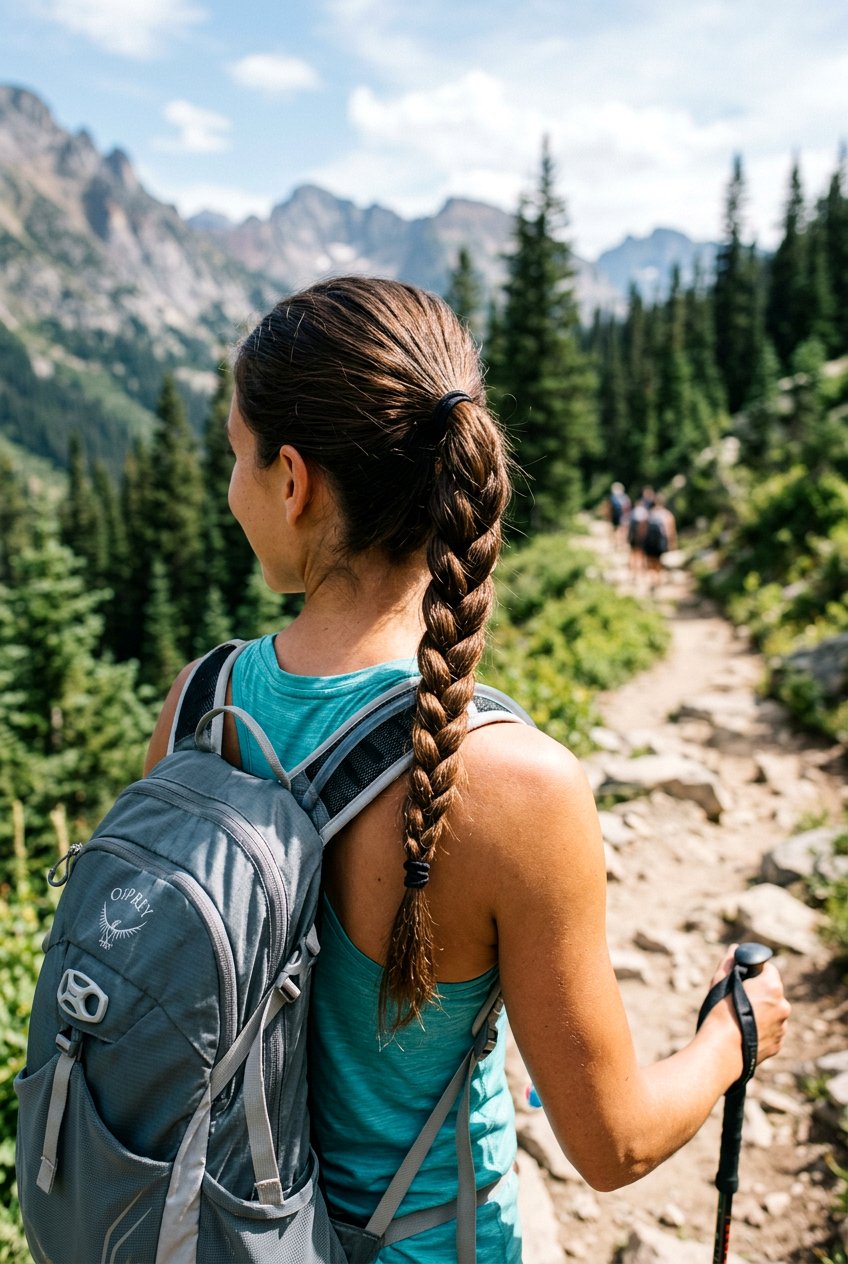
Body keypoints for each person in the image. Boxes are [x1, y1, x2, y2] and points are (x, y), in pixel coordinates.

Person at [144, 277, 789, 1263]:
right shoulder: (517, 786)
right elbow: (611, 1142)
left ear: (291, 479)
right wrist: (730, 1039)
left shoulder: (200, 704)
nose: (228, 488)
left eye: (234, 455)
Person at [643, 494, 678, 591]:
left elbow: (644, 529)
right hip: (660, 542)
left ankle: (653, 579)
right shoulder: (667, 515)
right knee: (659, 560)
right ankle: (658, 579)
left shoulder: (649, 513)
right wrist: (672, 543)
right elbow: (671, 531)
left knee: (650, 561)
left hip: (649, 542)